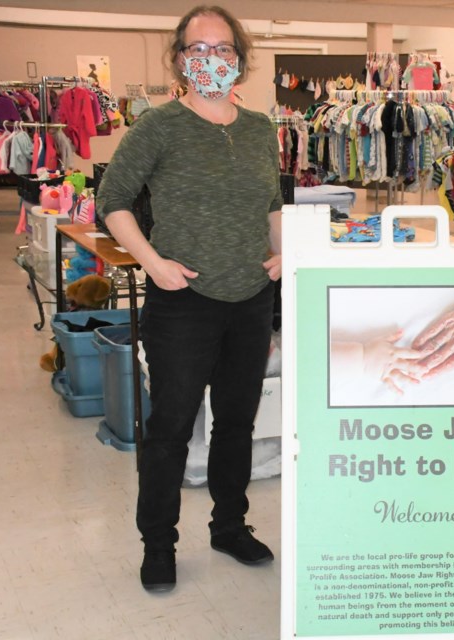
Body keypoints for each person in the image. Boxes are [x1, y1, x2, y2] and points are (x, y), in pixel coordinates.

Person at [95, 5, 283, 593]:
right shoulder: (159, 126)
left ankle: (229, 525)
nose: (211, 61)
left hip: (251, 299)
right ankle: (159, 544)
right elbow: (113, 200)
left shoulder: (260, 129)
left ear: (239, 58)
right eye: (197, 50)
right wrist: (152, 262)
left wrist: (284, 253)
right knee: (171, 427)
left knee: (235, 423)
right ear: (180, 58)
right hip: (182, 302)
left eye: (222, 49)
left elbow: (271, 207)